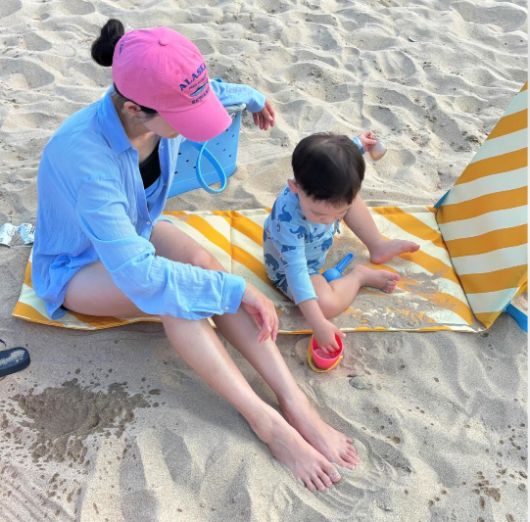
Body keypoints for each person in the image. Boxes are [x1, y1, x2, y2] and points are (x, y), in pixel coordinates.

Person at [31, 19, 359, 491]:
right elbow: (143, 277)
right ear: (134, 108)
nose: (194, 125)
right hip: (76, 266)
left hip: (136, 228)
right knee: (178, 299)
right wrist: (235, 290)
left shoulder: (155, 110)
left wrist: (252, 97)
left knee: (205, 266)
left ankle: (295, 403)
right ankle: (267, 422)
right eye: (184, 117)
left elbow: (212, 91)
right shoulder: (86, 160)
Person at [263, 132, 420, 352]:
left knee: (346, 194)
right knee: (325, 305)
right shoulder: (287, 221)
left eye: (339, 214)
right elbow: (296, 274)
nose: (330, 221)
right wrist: (318, 323)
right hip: (292, 268)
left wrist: (359, 145)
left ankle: (377, 244)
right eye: (319, 214)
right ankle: (359, 276)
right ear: (295, 187)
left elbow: (338, 158)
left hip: (315, 246)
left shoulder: (325, 197)